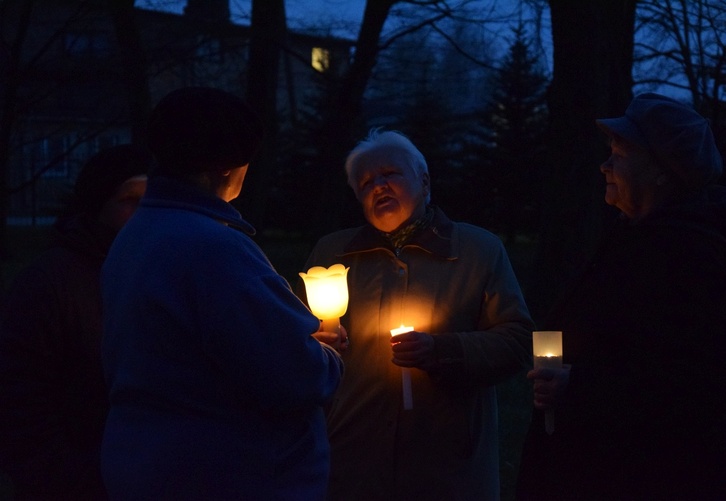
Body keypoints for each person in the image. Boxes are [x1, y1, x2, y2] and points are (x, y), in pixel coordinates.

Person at [99, 86, 344, 500]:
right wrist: (327, 356)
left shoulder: (136, 235)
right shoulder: (213, 249)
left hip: (150, 464)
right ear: (228, 167)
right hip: (228, 475)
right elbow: (296, 376)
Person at [517, 93, 726, 500]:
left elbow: (702, 384)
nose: (605, 164)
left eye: (620, 153)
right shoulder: (635, 236)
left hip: (650, 478)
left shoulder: (688, 254)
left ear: (661, 170)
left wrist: (578, 387)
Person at [299, 129, 534, 500]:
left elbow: (517, 340)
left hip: (445, 463)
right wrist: (312, 342)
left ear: (424, 182)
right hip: (353, 459)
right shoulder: (332, 254)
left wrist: (442, 351)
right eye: (366, 182)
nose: (379, 186)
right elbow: (291, 341)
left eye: (390, 174)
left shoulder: (476, 250)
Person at [0, 144, 150, 499]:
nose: (144, 215)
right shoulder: (52, 284)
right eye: (130, 200)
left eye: (154, 202)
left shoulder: (162, 272)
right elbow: (20, 403)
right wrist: (75, 480)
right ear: (98, 205)